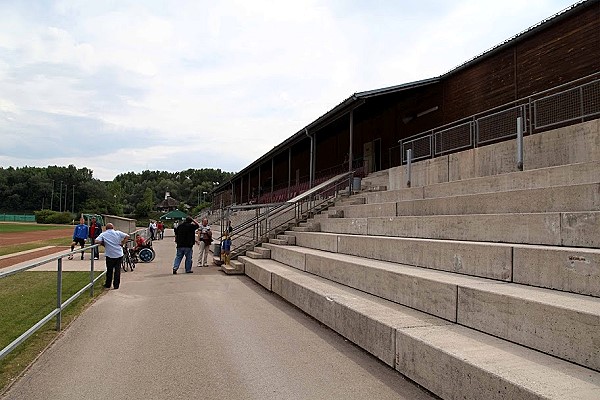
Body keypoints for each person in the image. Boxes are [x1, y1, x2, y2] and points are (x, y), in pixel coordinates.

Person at [95, 223, 130, 289]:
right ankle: (116, 285)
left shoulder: (103, 234)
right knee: (117, 270)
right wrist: (122, 243)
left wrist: (103, 243)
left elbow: (96, 241)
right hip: (119, 254)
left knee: (109, 270)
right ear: (113, 227)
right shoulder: (118, 233)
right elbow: (127, 236)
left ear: (106, 228)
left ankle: (108, 284)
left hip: (110, 254)